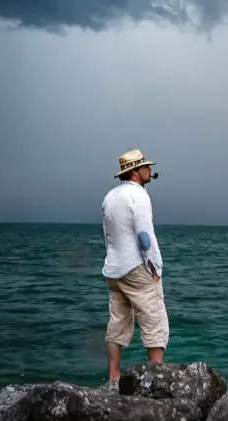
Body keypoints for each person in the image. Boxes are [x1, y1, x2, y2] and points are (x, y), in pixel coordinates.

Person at [101, 148, 168, 381]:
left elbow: (107, 236)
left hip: (113, 269)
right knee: (154, 320)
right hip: (136, 267)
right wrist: (154, 266)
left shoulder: (109, 197)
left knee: (117, 321)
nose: (150, 170)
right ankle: (156, 378)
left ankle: (113, 377)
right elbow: (144, 235)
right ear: (136, 172)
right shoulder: (139, 195)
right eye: (146, 166)